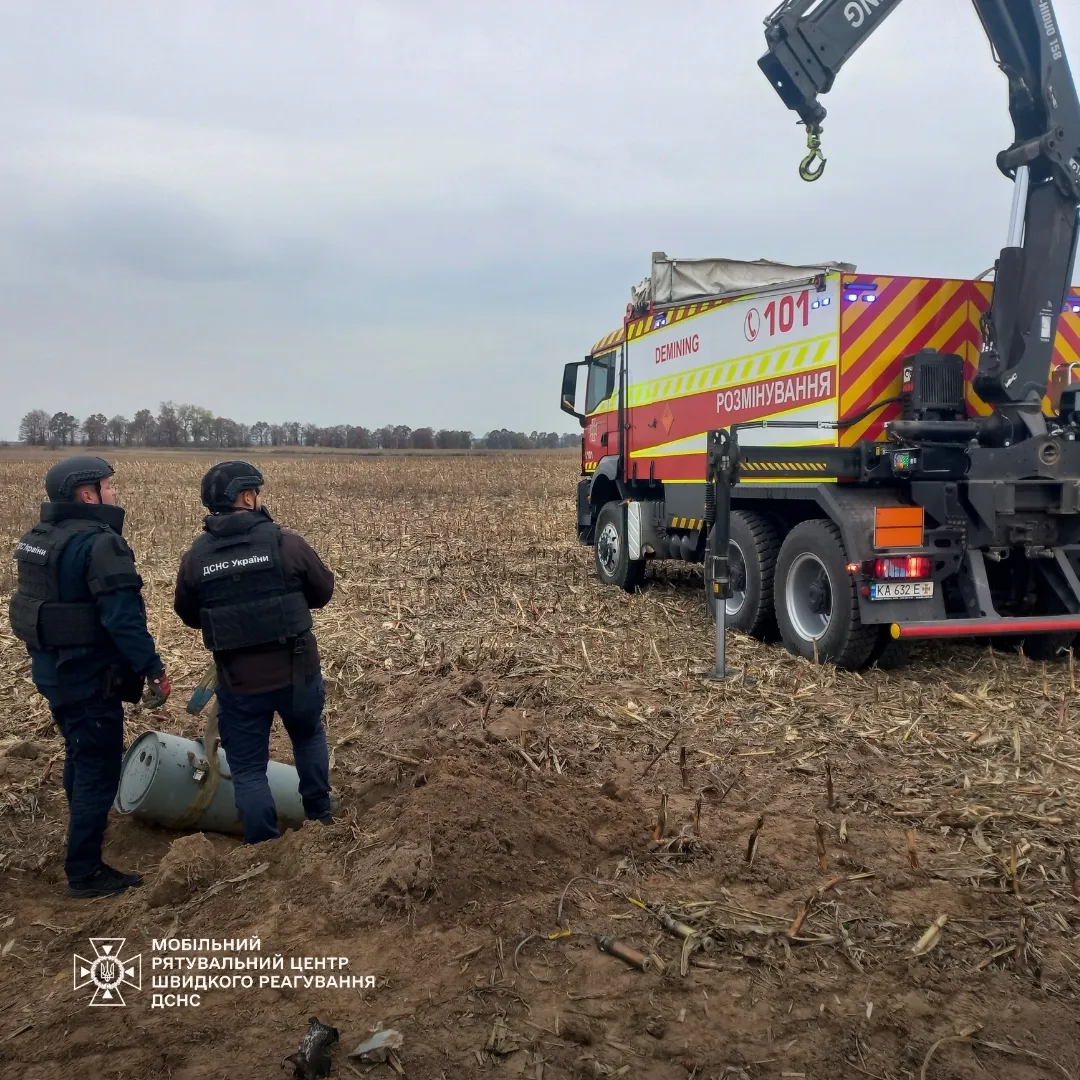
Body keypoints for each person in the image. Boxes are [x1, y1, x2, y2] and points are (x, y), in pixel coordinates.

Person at [8, 456, 170, 899]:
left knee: (80, 755)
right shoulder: (100, 544)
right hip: (89, 677)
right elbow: (123, 620)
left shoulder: (38, 539)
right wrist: (153, 668)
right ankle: (85, 871)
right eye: (107, 486)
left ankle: (84, 831)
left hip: (52, 674)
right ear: (86, 494)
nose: (114, 493)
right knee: (98, 766)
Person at [173, 461, 336, 844]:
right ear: (247, 497)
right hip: (297, 672)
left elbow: (188, 614)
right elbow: (323, 591)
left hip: (239, 682)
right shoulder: (286, 542)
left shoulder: (197, 557)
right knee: (308, 736)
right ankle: (321, 818)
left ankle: (262, 847)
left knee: (248, 769)